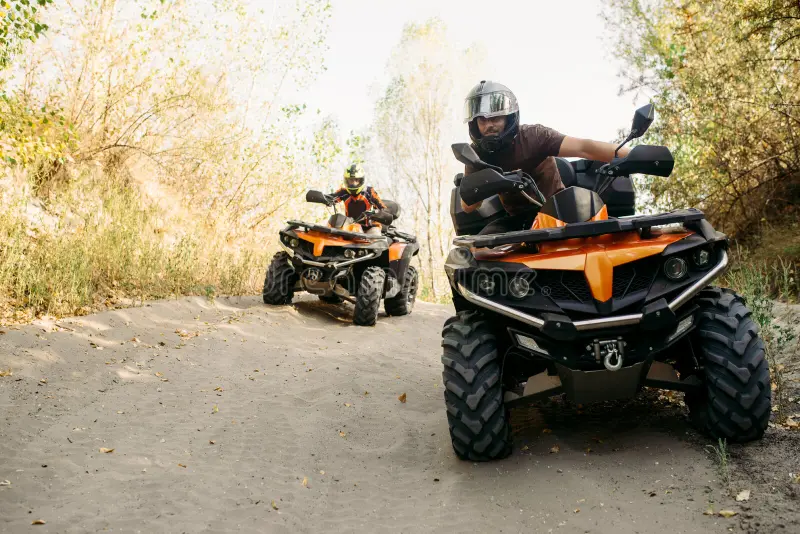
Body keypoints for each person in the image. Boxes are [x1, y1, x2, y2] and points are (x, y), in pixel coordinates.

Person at [460, 80, 632, 235]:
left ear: (508, 117)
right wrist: (487, 183)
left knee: (623, 235)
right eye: (482, 120)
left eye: (495, 118)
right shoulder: (476, 156)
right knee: (477, 252)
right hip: (519, 221)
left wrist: (636, 155)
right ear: (474, 124)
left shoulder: (534, 136)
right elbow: (467, 207)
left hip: (560, 210)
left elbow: (584, 147)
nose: (489, 125)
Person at [330, 163, 387, 235]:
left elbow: (383, 207)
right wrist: (322, 198)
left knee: (375, 236)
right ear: (346, 181)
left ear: (361, 180)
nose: (353, 183)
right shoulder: (343, 192)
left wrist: (376, 212)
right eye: (351, 180)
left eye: (356, 180)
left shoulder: (369, 192)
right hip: (351, 227)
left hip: (370, 228)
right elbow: (330, 197)